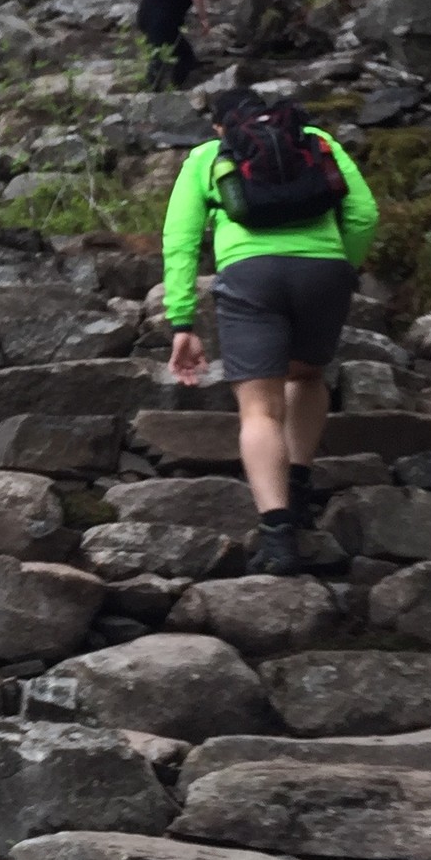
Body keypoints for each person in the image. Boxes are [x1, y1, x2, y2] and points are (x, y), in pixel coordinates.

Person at [163, 89, 381, 575]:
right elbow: (364, 213)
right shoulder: (318, 140)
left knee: (260, 408)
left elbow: (179, 240)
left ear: (222, 126)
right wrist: (343, 267)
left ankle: (279, 536)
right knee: (305, 376)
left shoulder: (206, 156)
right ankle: (299, 483)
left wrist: (181, 321)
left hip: (250, 276)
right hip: (323, 271)